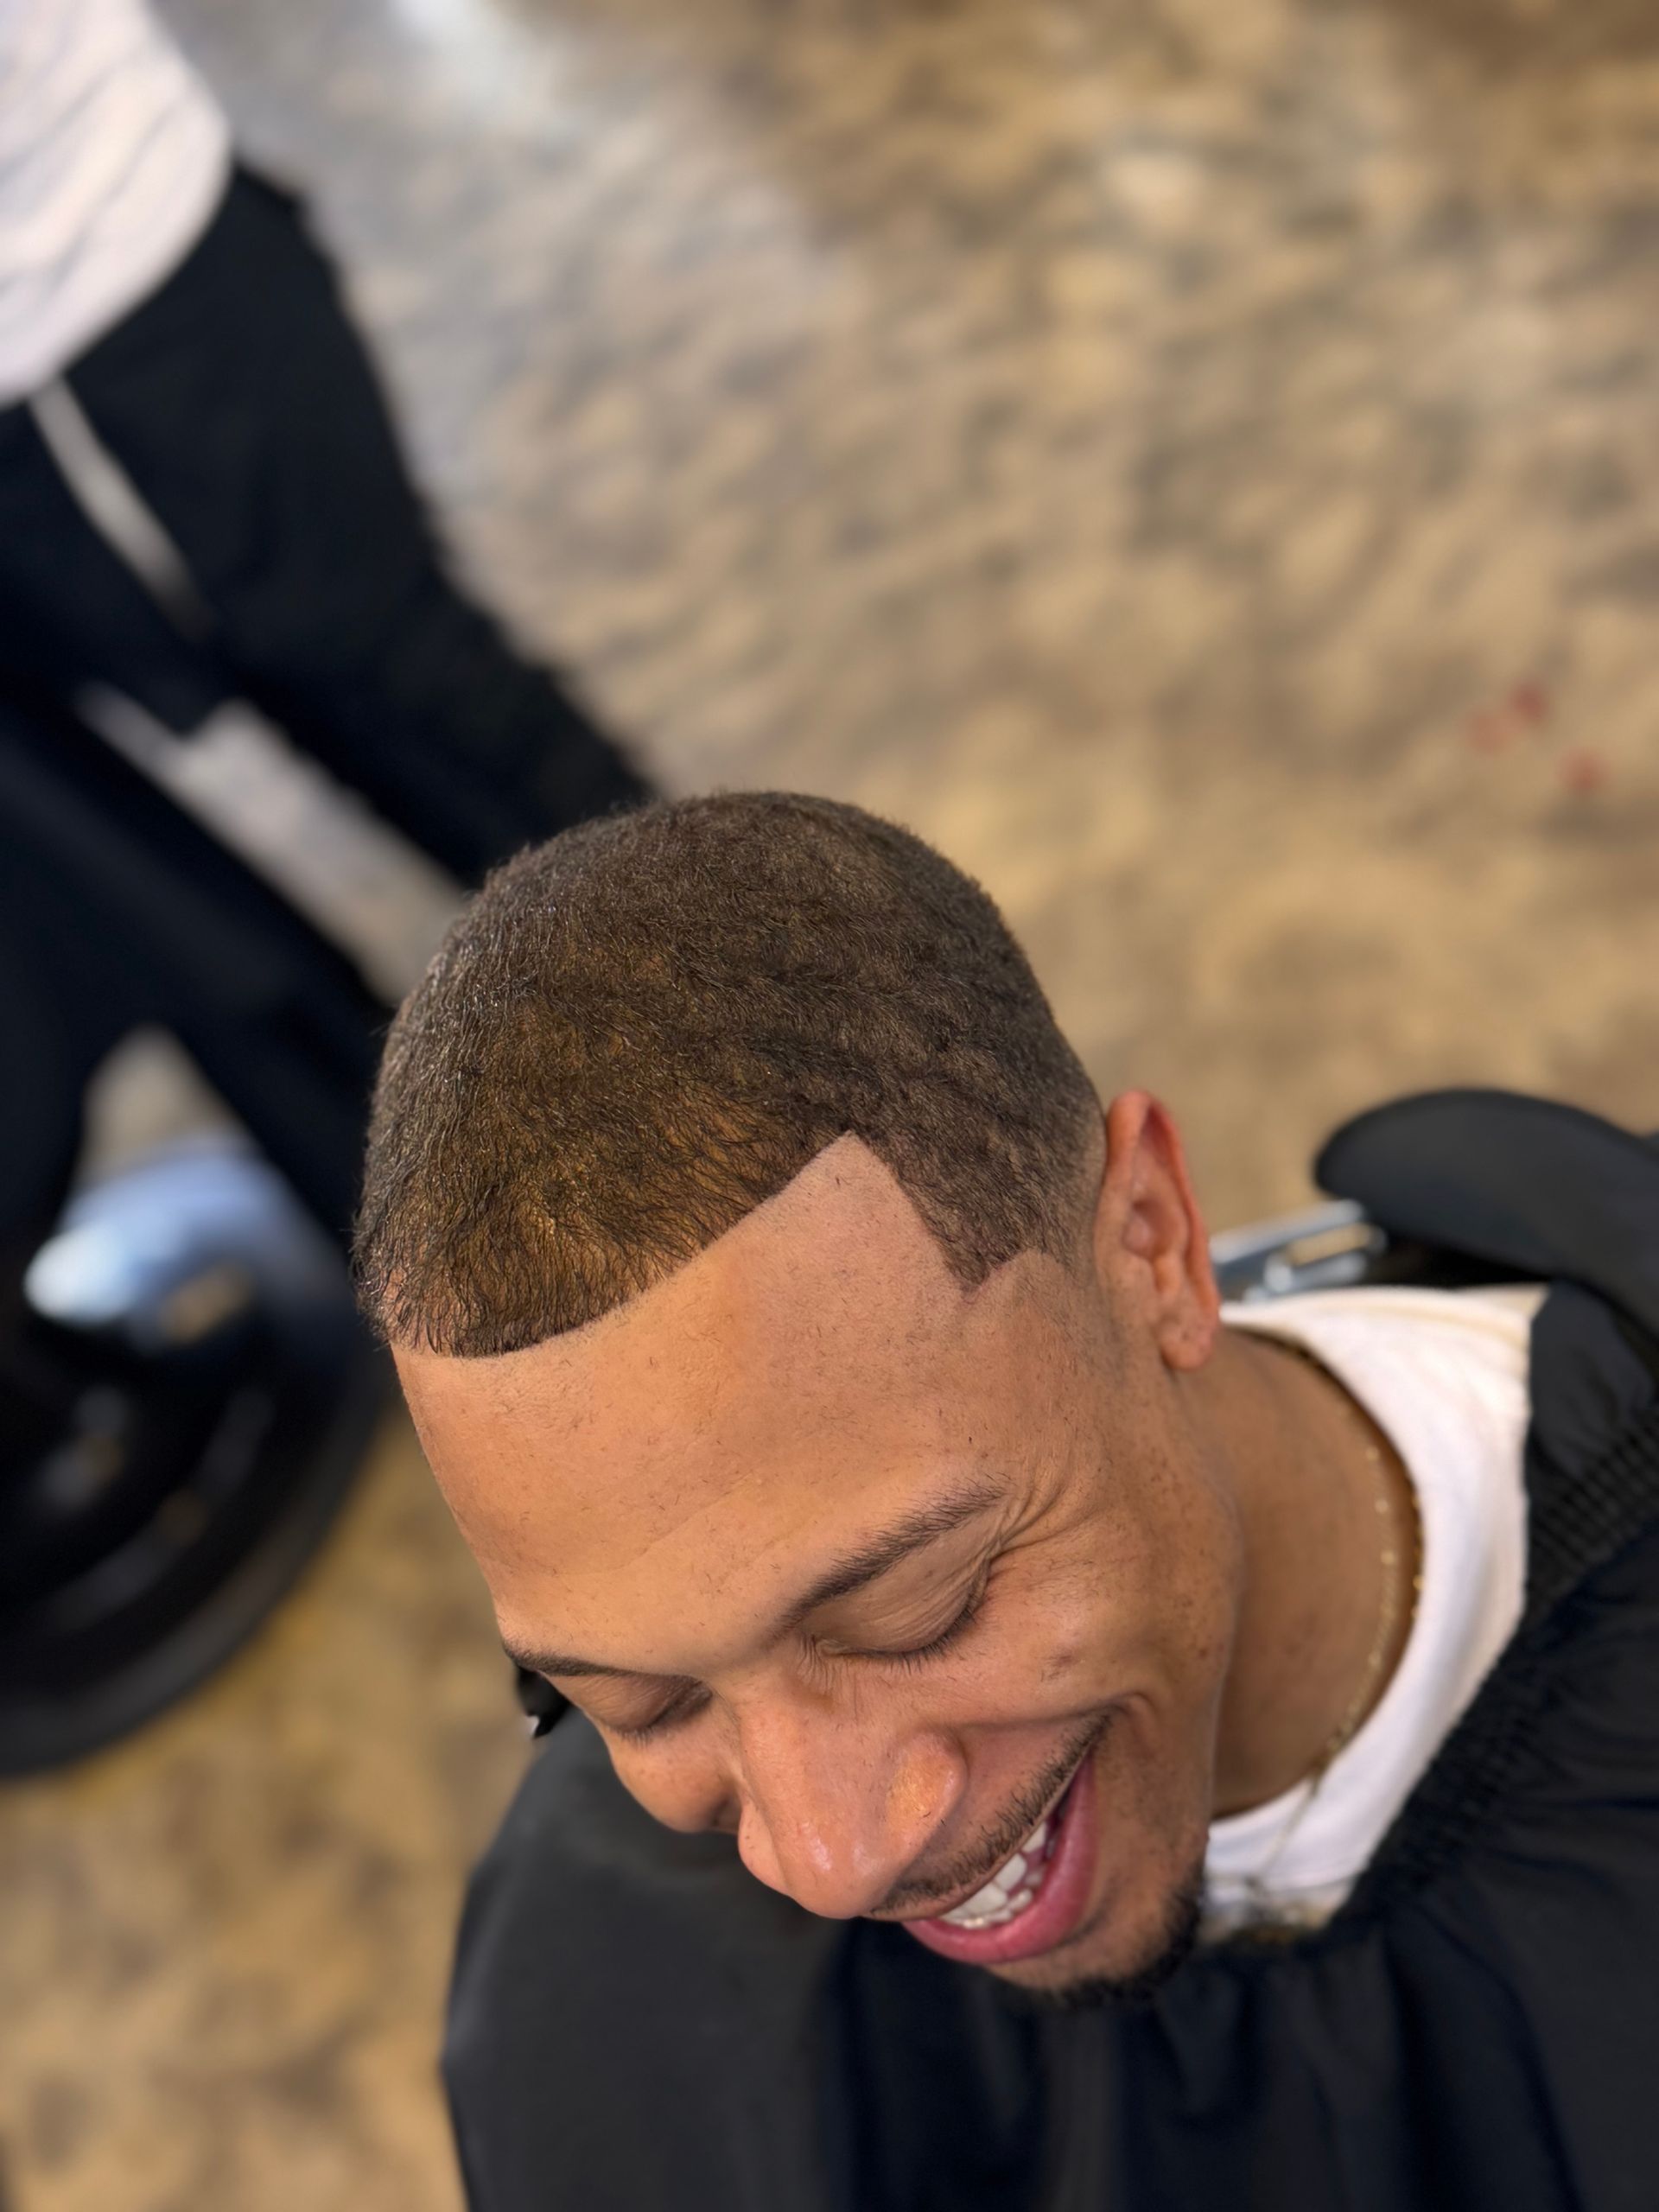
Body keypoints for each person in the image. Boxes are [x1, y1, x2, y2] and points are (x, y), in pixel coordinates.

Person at [354, 794, 1659, 2212]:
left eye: (917, 1606)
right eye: (643, 1706)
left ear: (1154, 1248)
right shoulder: (613, 1995)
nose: (832, 1859)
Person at [0, 0, 648, 885]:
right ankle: (549, 980)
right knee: (297, 708)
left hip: (137, 243)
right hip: (37, 411)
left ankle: (731, 972)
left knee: (419, 662)